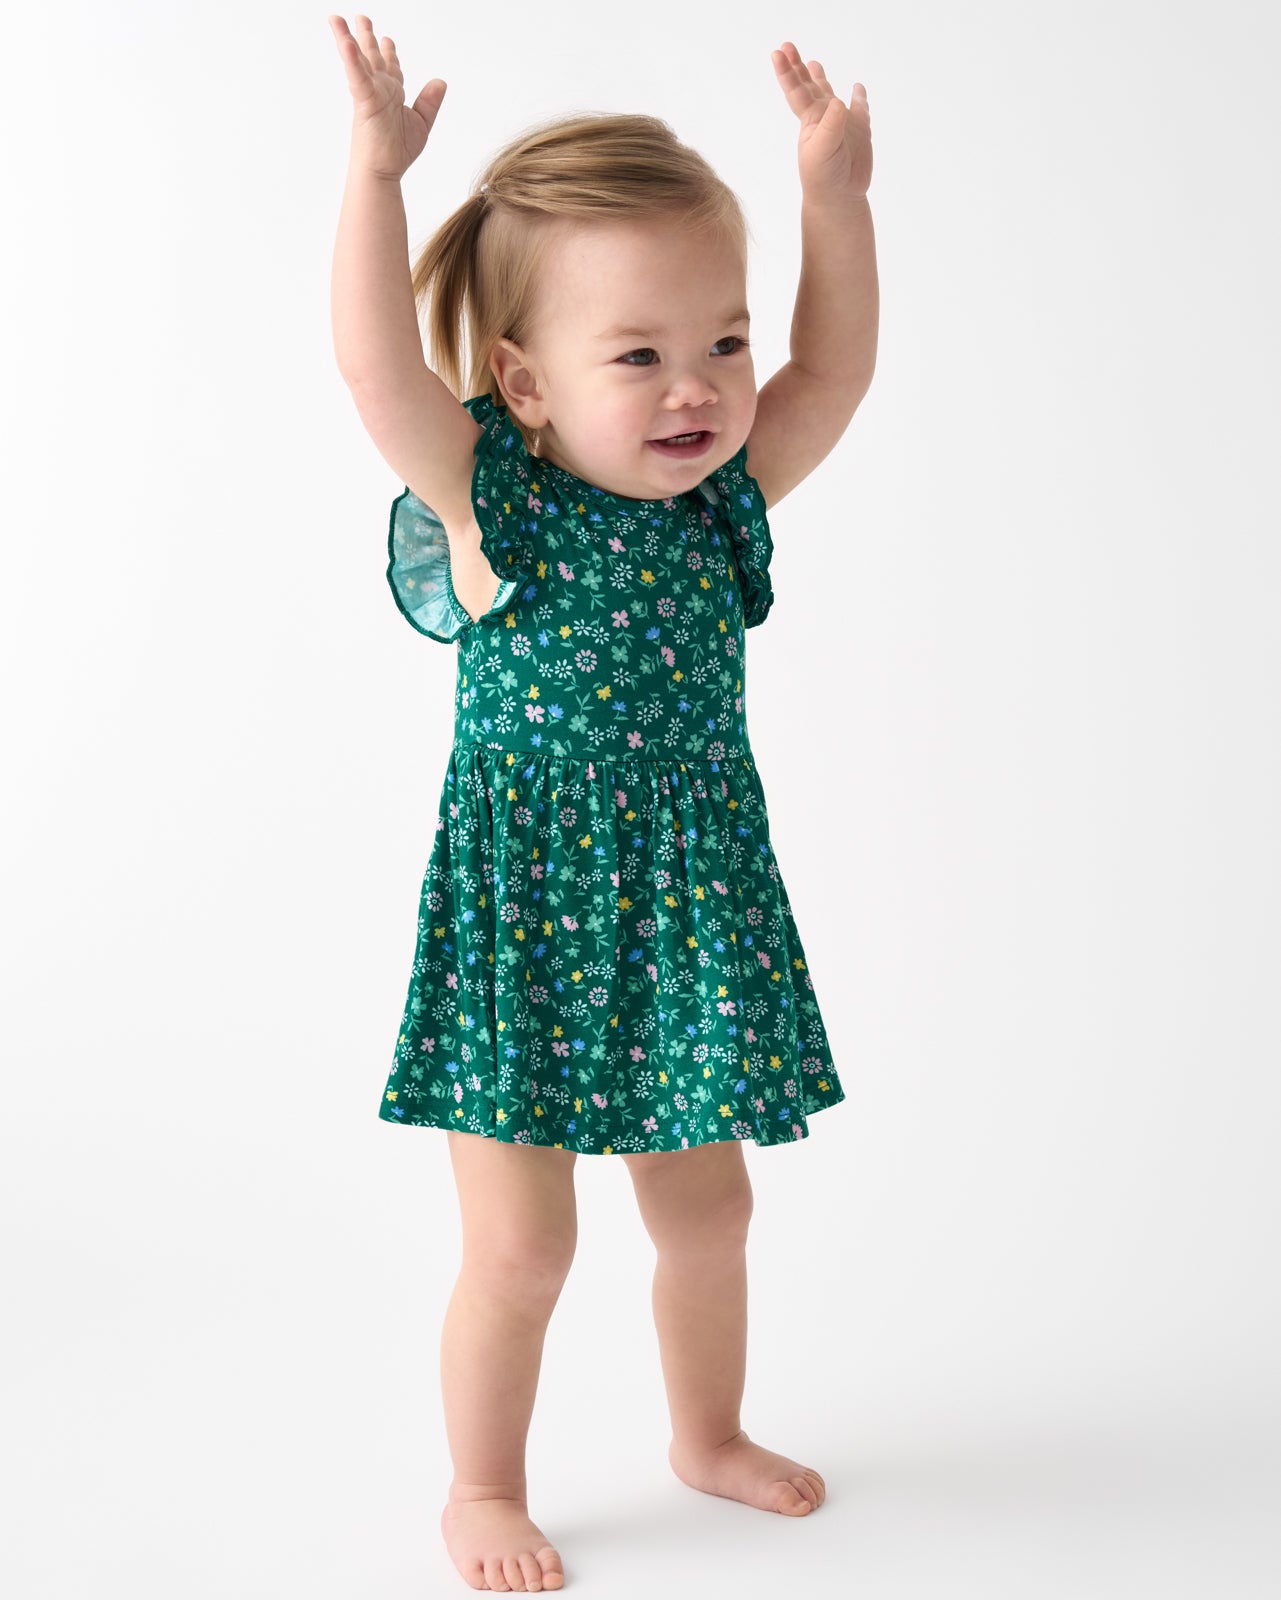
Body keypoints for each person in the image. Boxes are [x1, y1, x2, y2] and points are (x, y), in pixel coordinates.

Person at [329, 12, 877, 1592]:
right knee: (522, 1248)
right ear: (520, 378)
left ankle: (707, 1434)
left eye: (721, 341)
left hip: (688, 913)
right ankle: (480, 1490)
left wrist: (829, 200)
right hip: (525, 925)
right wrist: (375, 178)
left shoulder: (718, 508)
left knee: (710, 1216)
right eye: (636, 355)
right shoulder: (490, 502)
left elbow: (833, 369)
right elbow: (374, 365)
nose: (697, 386)